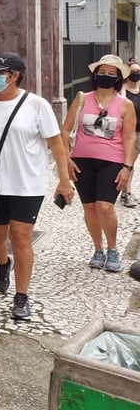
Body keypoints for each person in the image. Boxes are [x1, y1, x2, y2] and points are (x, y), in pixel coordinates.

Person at [0, 52, 74, 321]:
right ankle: (3, 264)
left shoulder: (37, 105)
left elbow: (56, 144)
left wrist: (64, 180)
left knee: (20, 237)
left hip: (27, 184)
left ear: (14, 76)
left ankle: (21, 296)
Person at [60, 54, 135, 273]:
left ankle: (113, 249)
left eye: (112, 73)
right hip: (82, 161)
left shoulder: (125, 104)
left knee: (105, 206)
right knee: (90, 207)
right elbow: (64, 130)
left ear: (118, 78)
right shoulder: (83, 98)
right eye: (102, 72)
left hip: (112, 161)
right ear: (95, 75)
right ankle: (98, 249)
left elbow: (129, 137)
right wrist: (66, 159)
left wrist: (127, 167)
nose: (106, 76)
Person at [119, 59, 140, 208]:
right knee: (129, 163)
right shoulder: (122, 91)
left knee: (133, 162)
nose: (137, 74)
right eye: (133, 72)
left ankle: (125, 192)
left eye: (138, 71)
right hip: (129, 133)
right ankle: (126, 193)